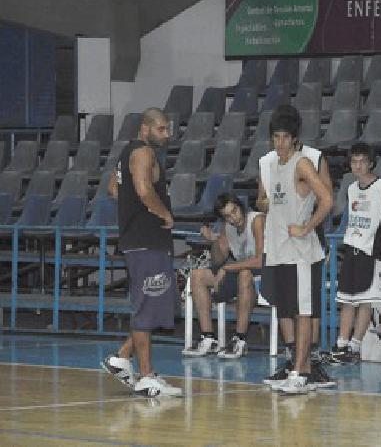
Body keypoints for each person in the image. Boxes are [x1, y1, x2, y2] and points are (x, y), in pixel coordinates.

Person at [101, 107, 182, 397]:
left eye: (168, 128)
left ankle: (122, 358)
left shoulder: (127, 154)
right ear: (145, 128)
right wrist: (165, 215)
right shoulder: (144, 153)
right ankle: (146, 376)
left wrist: (132, 208)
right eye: (161, 129)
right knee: (146, 308)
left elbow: (113, 188)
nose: (167, 134)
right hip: (147, 240)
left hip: (140, 241)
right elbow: (145, 191)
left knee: (154, 303)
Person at [258, 104, 336, 388]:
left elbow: (327, 200)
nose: (280, 143)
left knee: (304, 312)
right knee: (290, 310)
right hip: (279, 251)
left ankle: (302, 374)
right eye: (275, 137)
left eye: (284, 137)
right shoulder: (272, 165)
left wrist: (306, 227)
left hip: (301, 252)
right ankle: (297, 368)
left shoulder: (302, 163)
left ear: (294, 139)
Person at [330, 143, 381, 364]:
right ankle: (341, 345)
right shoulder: (352, 188)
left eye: (363, 161)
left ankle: (355, 347)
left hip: (370, 252)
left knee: (364, 302)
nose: (358, 165)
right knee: (346, 300)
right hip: (352, 249)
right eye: (354, 161)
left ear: (371, 163)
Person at [182, 193, 264, 359]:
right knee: (198, 276)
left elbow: (260, 261)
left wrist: (227, 268)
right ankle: (208, 338)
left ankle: (240, 340)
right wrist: (214, 241)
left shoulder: (256, 220)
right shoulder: (229, 227)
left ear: (241, 207)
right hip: (241, 273)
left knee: (244, 274)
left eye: (235, 211)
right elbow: (217, 260)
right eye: (227, 216)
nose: (233, 218)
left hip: (267, 276)